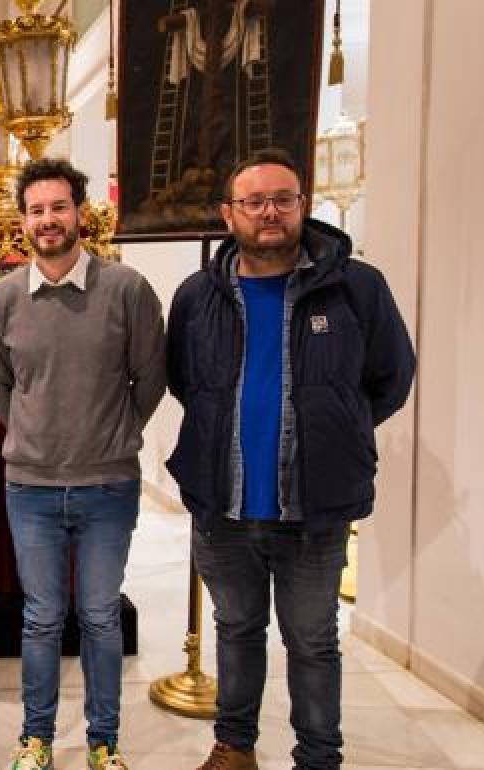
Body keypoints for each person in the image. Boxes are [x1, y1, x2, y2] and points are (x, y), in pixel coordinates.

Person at [165, 148, 416, 770]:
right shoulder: (197, 296)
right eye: (254, 201)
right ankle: (235, 749)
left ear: (303, 205)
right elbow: (185, 381)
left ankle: (318, 759)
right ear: (230, 214)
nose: (269, 212)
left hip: (314, 507)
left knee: (313, 641)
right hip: (224, 506)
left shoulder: (357, 287)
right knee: (236, 630)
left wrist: (338, 430)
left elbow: (391, 376)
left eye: (283, 198)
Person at [0, 158, 167, 770]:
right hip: (31, 488)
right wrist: (34, 434)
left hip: (108, 485)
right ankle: (35, 739)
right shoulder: (2, 299)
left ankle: (103, 742)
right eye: (36, 210)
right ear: (22, 221)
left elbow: (150, 377)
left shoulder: (126, 289)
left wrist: (115, 434)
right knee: (40, 619)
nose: (48, 219)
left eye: (59, 207)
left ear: (79, 214)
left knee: (100, 617)